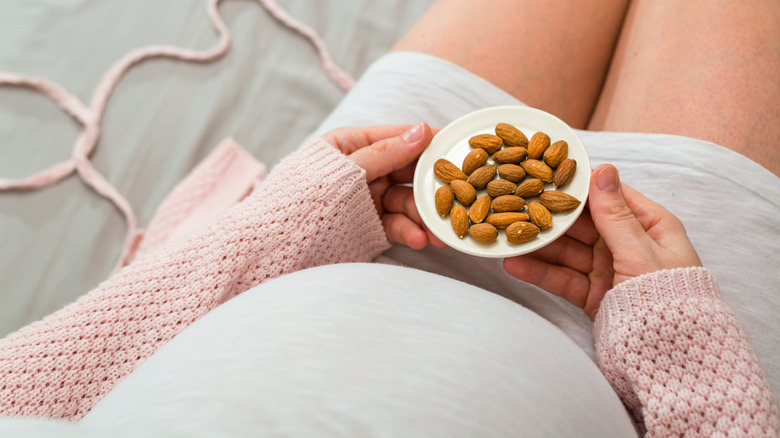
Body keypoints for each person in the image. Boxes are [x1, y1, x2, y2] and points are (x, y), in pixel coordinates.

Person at [1, 0, 778, 436]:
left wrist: (277, 230)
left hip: (356, 228)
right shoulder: (675, 336)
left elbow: (31, 386)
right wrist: (687, 352)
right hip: (654, 338)